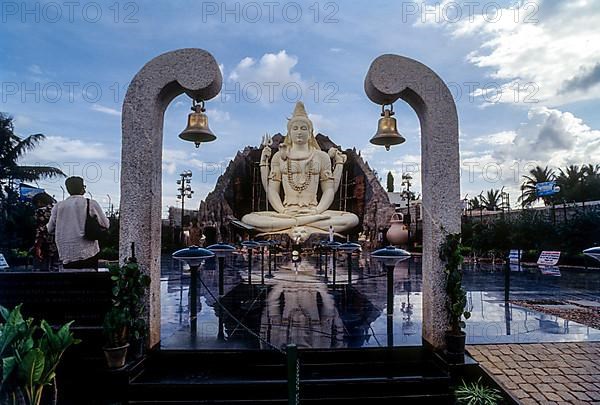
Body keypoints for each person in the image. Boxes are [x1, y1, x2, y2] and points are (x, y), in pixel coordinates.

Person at [241, 102, 358, 241]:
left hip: (314, 210)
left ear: (310, 133)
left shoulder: (321, 157)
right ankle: (304, 224)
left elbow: (329, 191)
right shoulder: (279, 157)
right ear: (289, 133)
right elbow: (271, 190)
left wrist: (317, 211)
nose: (299, 132)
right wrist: (283, 211)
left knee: (351, 219)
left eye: (304, 128)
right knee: (248, 219)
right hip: (286, 212)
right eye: (295, 128)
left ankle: (291, 226)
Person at [47, 176, 109, 270]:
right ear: (82, 188)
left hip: (65, 253)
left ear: (67, 189)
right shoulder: (90, 203)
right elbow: (105, 224)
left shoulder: (58, 206)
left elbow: (50, 228)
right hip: (88, 252)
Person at [32, 192, 58, 271]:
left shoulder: (40, 211)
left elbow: (40, 230)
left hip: (45, 243)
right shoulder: (57, 209)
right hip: (58, 242)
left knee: (43, 269)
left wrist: (37, 246)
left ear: (39, 202)